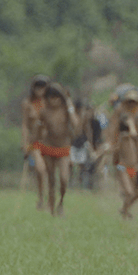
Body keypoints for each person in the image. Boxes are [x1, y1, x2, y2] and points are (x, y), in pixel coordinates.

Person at [31, 82, 80, 216]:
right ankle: (51, 206)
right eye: (51, 97)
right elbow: (37, 129)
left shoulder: (66, 110)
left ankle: (61, 202)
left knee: (64, 179)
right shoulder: (44, 111)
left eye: (57, 97)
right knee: (51, 179)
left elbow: (77, 126)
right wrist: (35, 141)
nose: (54, 101)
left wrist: (70, 107)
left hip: (63, 148)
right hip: (48, 147)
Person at [108, 88, 138, 218]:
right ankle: (124, 211)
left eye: (133, 103)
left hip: (134, 164)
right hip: (123, 165)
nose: (131, 105)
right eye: (129, 102)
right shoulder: (123, 129)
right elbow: (116, 132)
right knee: (130, 192)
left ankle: (124, 210)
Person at [21, 75, 49, 210]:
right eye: (38, 87)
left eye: (43, 87)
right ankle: (41, 197)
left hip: (50, 141)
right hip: (35, 141)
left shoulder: (51, 103)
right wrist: (24, 142)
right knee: (39, 168)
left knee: (49, 170)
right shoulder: (28, 104)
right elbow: (25, 125)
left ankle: (50, 197)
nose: (40, 90)